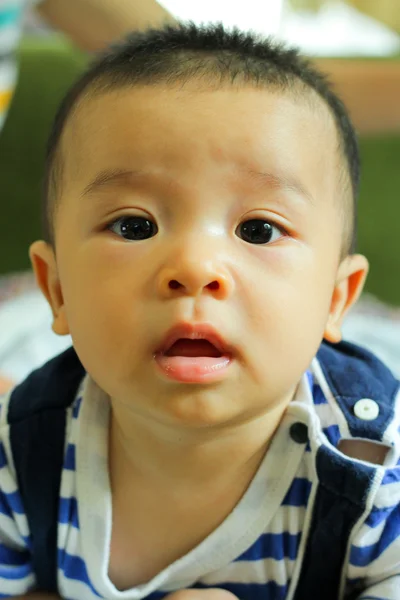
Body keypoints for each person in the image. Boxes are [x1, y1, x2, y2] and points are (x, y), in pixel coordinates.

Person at [0, 22, 400, 600]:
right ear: (57, 290)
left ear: (336, 300)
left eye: (259, 230)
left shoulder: (371, 469)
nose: (194, 265)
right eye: (134, 226)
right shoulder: (22, 452)